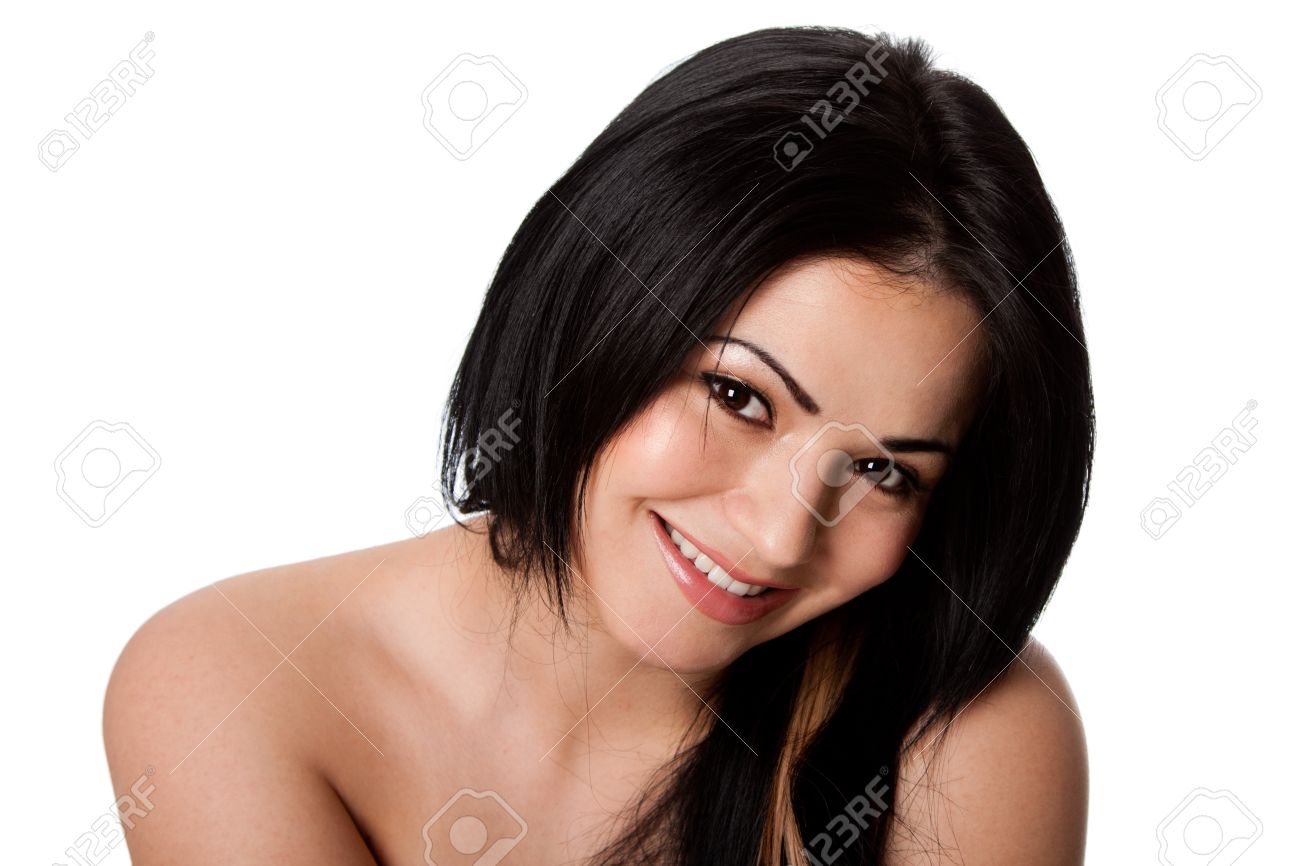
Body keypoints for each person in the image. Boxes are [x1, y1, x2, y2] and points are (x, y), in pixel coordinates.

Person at [104, 25, 1093, 865]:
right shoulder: (238, 685)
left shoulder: (964, 733)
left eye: (882, 470)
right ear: (597, 308)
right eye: (738, 397)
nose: (781, 534)